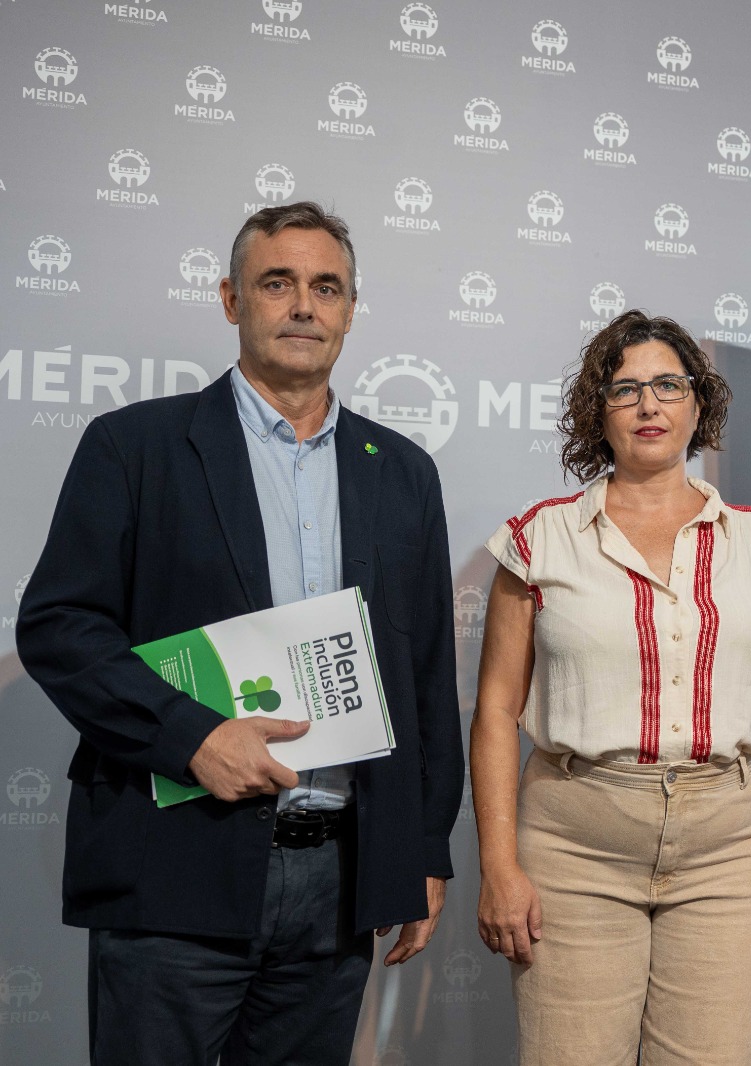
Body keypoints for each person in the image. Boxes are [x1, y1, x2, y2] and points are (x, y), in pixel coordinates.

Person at [17, 202, 463, 1066]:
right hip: (175, 866)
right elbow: (60, 627)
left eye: (326, 287)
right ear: (230, 299)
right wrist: (192, 738)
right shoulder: (134, 446)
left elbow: (423, 674)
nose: (303, 306)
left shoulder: (403, 471)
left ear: (350, 309)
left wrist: (422, 850)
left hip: (341, 881)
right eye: (277, 283)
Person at [471, 310, 751, 1066]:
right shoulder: (538, 538)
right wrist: (500, 867)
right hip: (574, 845)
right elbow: (495, 712)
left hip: (730, 850)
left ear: (698, 403)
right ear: (600, 412)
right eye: (625, 390)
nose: (649, 404)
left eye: (668, 385)